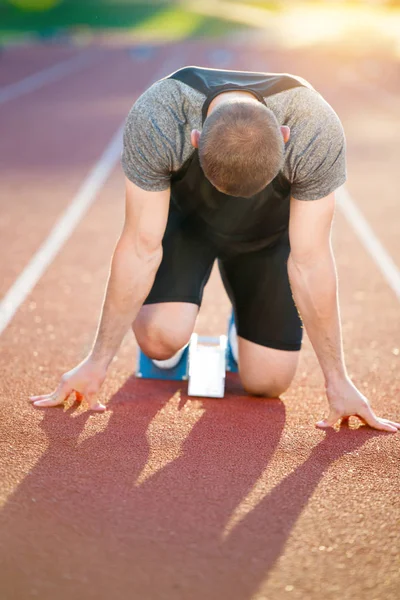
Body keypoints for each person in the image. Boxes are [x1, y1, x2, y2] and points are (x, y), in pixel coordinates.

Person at [30, 65, 399, 433]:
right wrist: (96, 361)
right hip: (187, 227)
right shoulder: (160, 117)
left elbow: (311, 260)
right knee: (160, 340)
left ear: (285, 137)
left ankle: (242, 331)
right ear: (194, 139)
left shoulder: (313, 128)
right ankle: (168, 334)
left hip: (266, 239)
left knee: (268, 383)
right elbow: (140, 246)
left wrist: (338, 380)